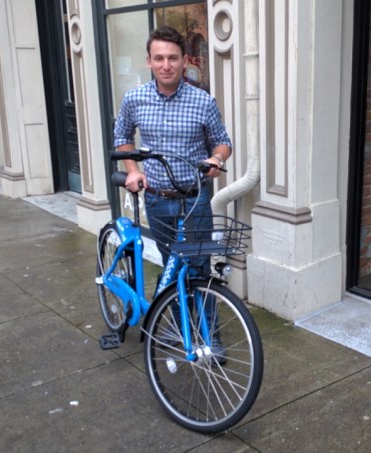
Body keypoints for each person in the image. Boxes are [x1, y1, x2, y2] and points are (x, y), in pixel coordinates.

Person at [113, 25, 231, 359]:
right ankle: (180, 325)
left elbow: (223, 142)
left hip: (194, 199)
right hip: (158, 199)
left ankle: (210, 337)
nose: (167, 65)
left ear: (185, 62)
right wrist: (133, 171)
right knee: (171, 268)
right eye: (159, 58)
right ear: (149, 61)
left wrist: (216, 158)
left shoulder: (202, 101)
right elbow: (121, 134)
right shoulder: (134, 99)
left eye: (173, 58)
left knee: (199, 272)